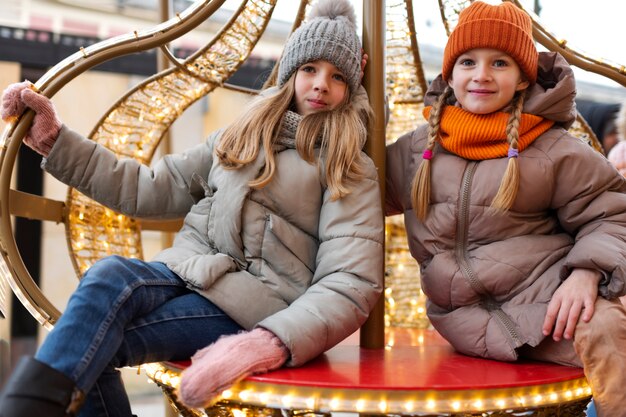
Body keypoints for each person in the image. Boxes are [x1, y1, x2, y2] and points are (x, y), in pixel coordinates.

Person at [0, 0, 384, 415]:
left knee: (91, 344)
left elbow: (349, 280)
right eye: (310, 69)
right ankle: (29, 406)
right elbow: (150, 188)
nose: (321, 84)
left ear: (351, 89)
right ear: (291, 73)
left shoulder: (347, 166)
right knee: (107, 278)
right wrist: (56, 141)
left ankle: (24, 407)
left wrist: (271, 340)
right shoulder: (239, 135)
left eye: (338, 76)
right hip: (186, 271)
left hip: (251, 305)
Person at [385, 2, 626, 417]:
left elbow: (611, 212)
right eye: (467, 62)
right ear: (450, 73)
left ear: (520, 79)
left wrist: (587, 272)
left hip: (546, 306)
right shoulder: (416, 150)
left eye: (499, 63)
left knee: (609, 330)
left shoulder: (551, 148)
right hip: (463, 318)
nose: (481, 75)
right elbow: (352, 190)